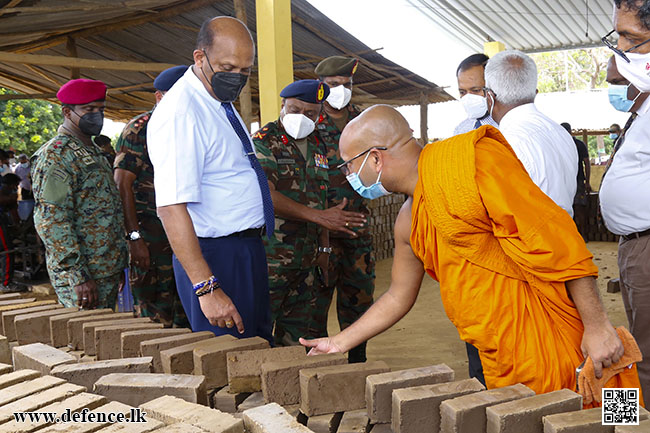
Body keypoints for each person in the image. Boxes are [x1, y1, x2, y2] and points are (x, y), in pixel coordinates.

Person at [300, 105, 640, 400]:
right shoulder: (408, 219)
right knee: (526, 416)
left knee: (607, 409)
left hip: (553, 330)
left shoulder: (470, 162)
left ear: (375, 158)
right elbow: (397, 296)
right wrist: (339, 342)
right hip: (499, 350)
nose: (348, 177)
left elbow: (557, 240)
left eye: (347, 166)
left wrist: (597, 326)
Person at [147, 16, 273, 342]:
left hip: (244, 248)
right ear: (199, 57)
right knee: (231, 361)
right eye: (228, 68)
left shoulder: (217, 102)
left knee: (257, 349)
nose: (237, 78)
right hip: (215, 256)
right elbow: (171, 208)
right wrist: (206, 287)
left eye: (245, 71)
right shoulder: (181, 113)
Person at [253, 79, 366, 346]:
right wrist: (319, 217)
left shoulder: (318, 144)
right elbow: (265, 195)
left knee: (299, 337)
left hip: (307, 261)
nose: (301, 118)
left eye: (310, 114)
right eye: (295, 110)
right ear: (283, 106)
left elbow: (322, 199)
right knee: (260, 333)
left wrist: (325, 249)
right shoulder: (264, 141)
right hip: (271, 259)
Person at [31, 78, 128, 309]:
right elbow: (51, 219)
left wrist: (116, 264)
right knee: (86, 339)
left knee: (106, 338)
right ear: (67, 112)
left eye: (101, 109)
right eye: (88, 109)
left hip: (105, 268)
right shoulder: (57, 156)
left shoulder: (91, 151)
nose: (97, 115)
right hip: (82, 276)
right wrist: (78, 275)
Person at [599, 0, 650, 400]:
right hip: (634, 245)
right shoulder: (645, 104)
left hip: (644, 246)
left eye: (631, 39)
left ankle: (628, 421)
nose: (621, 49)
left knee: (637, 353)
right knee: (634, 344)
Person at [114, 65, 189, 328]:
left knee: (186, 311)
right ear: (160, 97)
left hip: (184, 233)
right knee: (154, 317)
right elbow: (122, 183)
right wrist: (134, 238)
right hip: (151, 234)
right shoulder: (140, 129)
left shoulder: (189, 126)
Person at [314, 56, 375, 363]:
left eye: (347, 84)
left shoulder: (364, 122)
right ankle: (313, 370)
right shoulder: (308, 120)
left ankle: (356, 367)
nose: (342, 90)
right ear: (322, 87)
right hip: (317, 231)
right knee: (313, 306)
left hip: (357, 228)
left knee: (359, 305)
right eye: (335, 85)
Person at [484, 50, 578, 217]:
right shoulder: (560, 133)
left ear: (490, 97)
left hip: (532, 240)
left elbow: (503, 212)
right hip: (565, 235)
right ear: (534, 92)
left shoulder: (506, 142)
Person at [453, 54, 499, 135]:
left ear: (493, 88)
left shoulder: (508, 128)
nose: (468, 97)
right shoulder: (461, 131)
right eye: (462, 92)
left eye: (476, 90)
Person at [560, 122, 591, 241]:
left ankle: (583, 235)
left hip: (577, 180)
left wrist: (587, 181)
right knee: (565, 208)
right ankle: (570, 235)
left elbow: (587, 163)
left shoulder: (579, 144)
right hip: (563, 180)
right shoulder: (558, 145)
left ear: (570, 132)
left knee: (579, 208)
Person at [0, 174, 21, 292]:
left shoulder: (9, 195)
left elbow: (14, 211)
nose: (15, 188)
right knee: (7, 251)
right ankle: (6, 283)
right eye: (15, 186)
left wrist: (17, 225)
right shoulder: (3, 191)